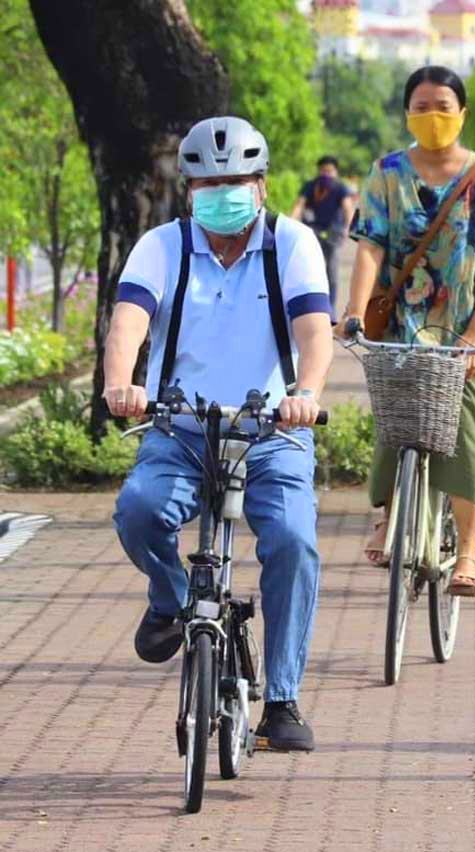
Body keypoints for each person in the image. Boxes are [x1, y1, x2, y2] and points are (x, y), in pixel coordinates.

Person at [107, 116, 333, 752]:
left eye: (236, 179)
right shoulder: (162, 246)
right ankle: (171, 597)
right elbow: (128, 321)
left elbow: (315, 334)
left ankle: (283, 700)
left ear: (261, 185)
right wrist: (122, 383)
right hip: (179, 427)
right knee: (139, 511)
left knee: (292, 540)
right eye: (209, 181)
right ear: (189, 189)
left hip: (272, 431)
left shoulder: (293, 245)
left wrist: (305, 394)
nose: (223, 190)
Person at [336, 66, 475, 598]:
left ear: (462, 113)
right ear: (406, 114)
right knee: (395, 421)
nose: (432, 117)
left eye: (443, 106)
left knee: (464, 429)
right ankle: (390, 513)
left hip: (464, 332)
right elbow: (369, 245)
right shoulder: (387, 173)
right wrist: (354, 310)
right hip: (400, 329)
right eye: (421, 107)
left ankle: (467, 553)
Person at [291, 155, 355, 312]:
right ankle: (309, 306)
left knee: (331, 271)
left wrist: (348, 227)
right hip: (312, 232)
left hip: (333, 234)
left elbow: (348, 208)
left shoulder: (340, 188)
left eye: (330, 171)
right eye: (323, 170)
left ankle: (330, 308)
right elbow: (299, 205)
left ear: (336, 172)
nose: (326, 174)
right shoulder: (311, 186)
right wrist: (291, 223)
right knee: (307, 268)